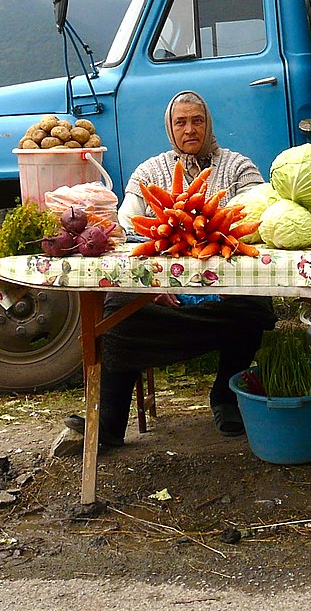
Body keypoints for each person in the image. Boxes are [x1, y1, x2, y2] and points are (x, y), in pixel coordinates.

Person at [66, 90, 276, 446]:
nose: (189, 129)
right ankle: (110, 423)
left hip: (226, 293)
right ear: (170, 128)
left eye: (197, 120)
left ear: (208, 124)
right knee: (118, 310)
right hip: (164, 295)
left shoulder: (239, 167)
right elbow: (129, 222)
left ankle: (226, 398)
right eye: (181, 122)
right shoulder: (150, 171)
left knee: (255, 306)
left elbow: (256, 216)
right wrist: (153, 281)